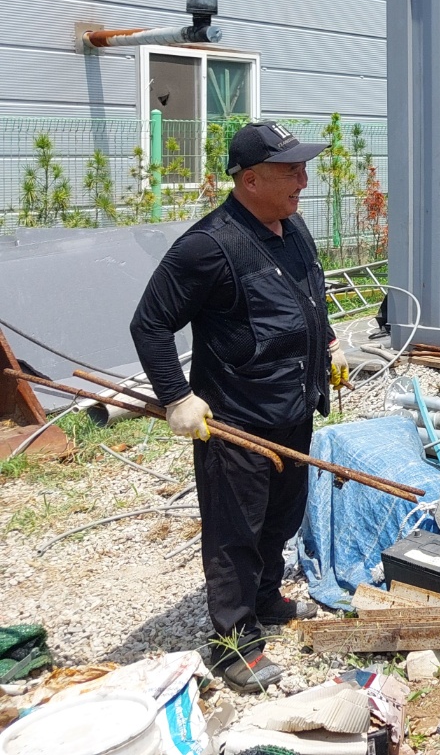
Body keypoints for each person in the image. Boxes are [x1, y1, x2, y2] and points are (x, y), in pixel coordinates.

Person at [130, 121, 349, 690]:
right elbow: (149, 324)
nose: (304, 179)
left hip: (293, 408)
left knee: (282, 515)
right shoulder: (208, 247)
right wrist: (177, 397)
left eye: (304, 168)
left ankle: (266, 597)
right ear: (250, 180)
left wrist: (328, 344)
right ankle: (233, 641)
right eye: (291, 171)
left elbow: (306, 298)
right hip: (236, 420)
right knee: (235, 533)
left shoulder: (292, 226)